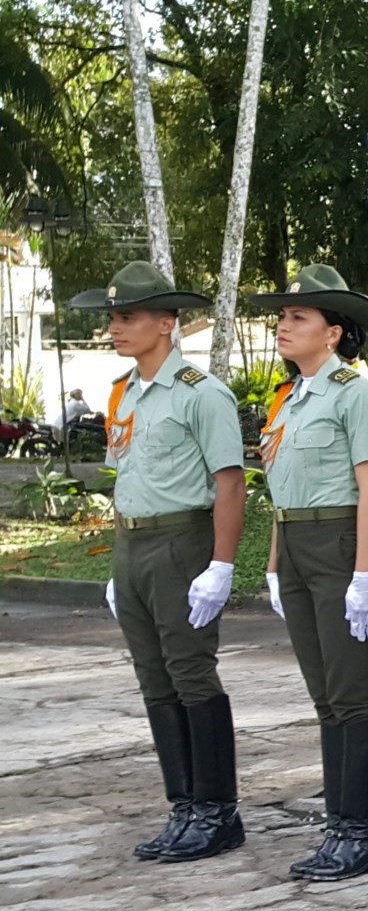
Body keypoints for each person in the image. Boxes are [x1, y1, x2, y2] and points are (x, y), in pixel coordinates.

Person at [77, 262, 249, 863]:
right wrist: (118, 560)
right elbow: (131, 473)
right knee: (154, 678)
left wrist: (220, 566)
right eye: (113, 319)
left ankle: (217, 811)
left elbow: (230, 484)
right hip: (133, 545)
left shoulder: (203, 393)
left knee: (191, 673)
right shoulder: (123, 391)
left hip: (181, 542)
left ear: (167, 323)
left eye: (128, 317)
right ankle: (183, 806)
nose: (116, 329)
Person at [251, 266, 368, 882]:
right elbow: (281, 488)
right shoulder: (288, 397)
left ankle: (367, 831)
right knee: (325, 696)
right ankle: (341, 824)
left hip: (341, 545)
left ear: (333, 333)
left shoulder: (354, 392)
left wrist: (365, 575)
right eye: (283, 317)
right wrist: (275, 563)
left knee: (353, 691)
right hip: (299, 548)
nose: (285, 327)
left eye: (298, 318)